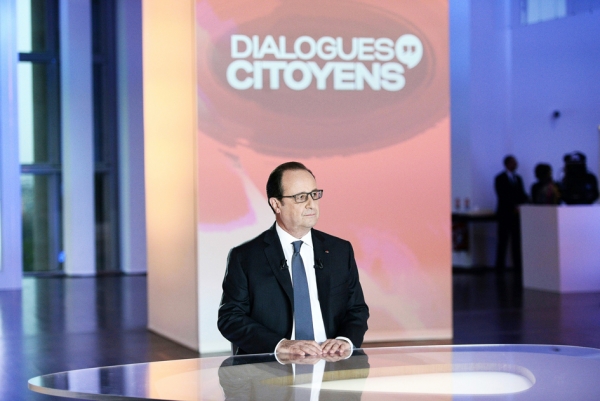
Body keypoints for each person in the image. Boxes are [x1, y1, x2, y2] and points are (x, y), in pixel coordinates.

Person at [218, 161, 369, 356]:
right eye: (301, 197)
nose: (311, 204)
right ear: (276, 204)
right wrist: (280, 346)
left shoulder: (340, 251)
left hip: (331, 362)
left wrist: (345, 340)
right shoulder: (245, 257)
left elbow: (356, 309)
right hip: (272, 366)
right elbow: (230, 318)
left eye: (314, 194)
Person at [494, 155, 529, 271]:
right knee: (502, 241)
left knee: (516, 241)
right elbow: (502, 195)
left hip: (516, 215)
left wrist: (527, 201)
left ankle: (518, 267)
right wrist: (514, 205)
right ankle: (499, 267)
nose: (516, 164)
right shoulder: (499, 178)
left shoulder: (518, 178)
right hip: (505, 214)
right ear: (507, 164)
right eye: (513, 162)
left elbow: (521, 193)